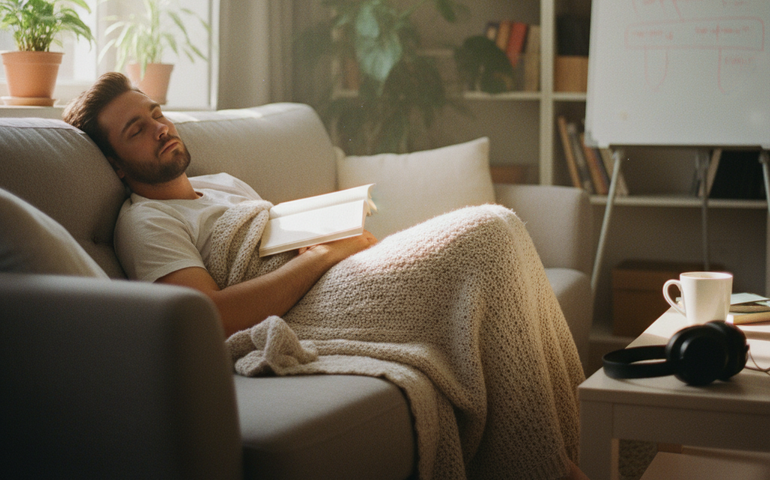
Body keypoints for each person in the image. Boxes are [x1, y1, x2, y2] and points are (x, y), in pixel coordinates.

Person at [64, 72, 588, 480]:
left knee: (503, 237)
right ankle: (543, 468)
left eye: (156, 113)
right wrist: (321, 255)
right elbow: (210, 317)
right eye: (137, 129)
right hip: (304, 303)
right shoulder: (145, 220)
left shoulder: (219, 184)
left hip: (330, 275)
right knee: (489, 232)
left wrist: (337, 237)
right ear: (116, 165)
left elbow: (273, 237)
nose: (160, 128)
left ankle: (562, 449)